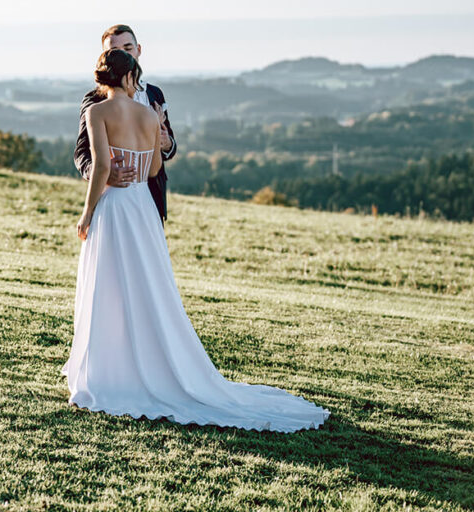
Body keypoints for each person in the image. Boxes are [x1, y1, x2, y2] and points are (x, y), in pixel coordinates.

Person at [62, 49, 330, 432]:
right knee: (150, 286)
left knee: (108, 286)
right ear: (128, 77)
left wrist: (87, 213)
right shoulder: (147, 114)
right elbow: (155, 167)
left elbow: (102, 166)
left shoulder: (97, 112)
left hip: (115, 207)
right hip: (142, 206)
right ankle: (151, 363)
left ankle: (111, 370)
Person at [74, 25, 176, 222]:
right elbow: (81, 153)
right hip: (112, 196)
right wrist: (105, 174)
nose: (122, 56)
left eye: (127, 49)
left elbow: (169, 148)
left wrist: (166, 142)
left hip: (150, 198)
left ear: (138, 50)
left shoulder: (154, 94)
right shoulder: (94, 101)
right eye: (114, 51)